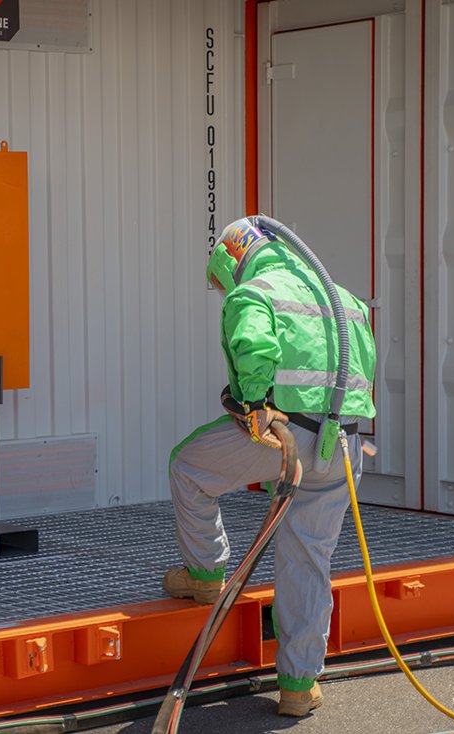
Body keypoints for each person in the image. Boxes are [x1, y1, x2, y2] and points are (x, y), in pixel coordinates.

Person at [162, 216, 377, 717]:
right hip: (342, 445)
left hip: (284, 435)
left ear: (234, 258)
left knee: (189, 467)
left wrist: (255, 402)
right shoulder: (345, 299)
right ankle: (299, 686)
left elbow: (254, 345)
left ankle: (205, 573)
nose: (224, 290)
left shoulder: (253, 293)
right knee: (308, 559)